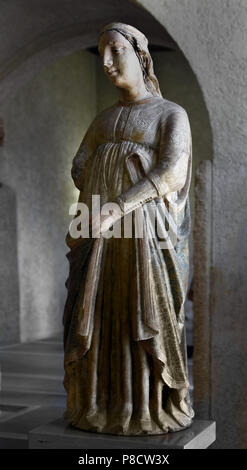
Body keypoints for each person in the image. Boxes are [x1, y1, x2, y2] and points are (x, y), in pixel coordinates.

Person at [63, 22, 194, 435]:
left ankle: (149, 410)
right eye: (101, 53)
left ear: (141, 55)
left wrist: (117, 203)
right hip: (103, 239)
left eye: (115, 50)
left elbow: (172, 172)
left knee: (145, 311)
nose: (106, 62)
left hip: (147, 239)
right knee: (99, 313)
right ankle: (100, 405)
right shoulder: (103, 120)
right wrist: (107, 166)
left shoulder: (171, 114)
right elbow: (79, 165)